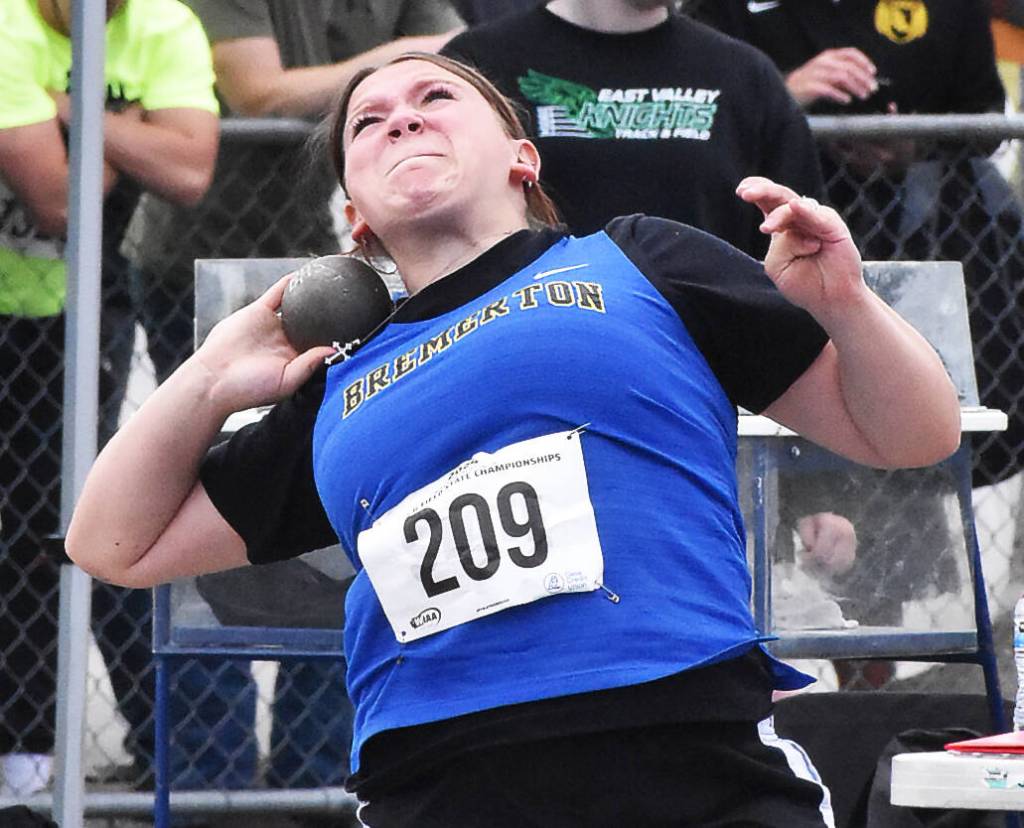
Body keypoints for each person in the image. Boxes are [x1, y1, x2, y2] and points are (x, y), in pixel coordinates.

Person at [66, 52, 960, 826]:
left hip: (687, 752)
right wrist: (214, 375)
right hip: (442, 781)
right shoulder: (339, 381)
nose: (401, 116)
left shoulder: (639, 259)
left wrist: (845, 303)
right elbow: (109, 542)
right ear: (358, 217)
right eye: (367, 122)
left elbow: (916, 433)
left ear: (521, 158)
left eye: (436, 98)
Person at [111, 0, 465, 797]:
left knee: (347, 514)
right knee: (201, 515)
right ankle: (212, 775)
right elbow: (259, 94)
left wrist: (398, 81)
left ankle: (318, 773)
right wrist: (403, 62)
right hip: (199, 269)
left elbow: (464, 60)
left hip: (348, 278)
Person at [694, 0, 1018, 688]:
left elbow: (980, 117)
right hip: (773, 261)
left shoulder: (947, 9)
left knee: (940, 468)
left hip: (931, 248)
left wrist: (912, 144)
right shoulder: (728, 20)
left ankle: (911, 682)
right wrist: (791, 93)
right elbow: (707, 120)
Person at [0, 0, 218, 797]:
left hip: (81, 314)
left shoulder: (163, 24)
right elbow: (61, 199)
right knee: (36, 527)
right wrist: (127, 129)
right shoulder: (9, 27)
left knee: (68, 526)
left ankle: (49, 764)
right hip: (15, 300)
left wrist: (66, 111)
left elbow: (192, 172)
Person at [441, 0, 824, 259]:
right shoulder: (480, 64)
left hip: (705, 353)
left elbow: (799, 242)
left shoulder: (743, 73)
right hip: (532, 341)